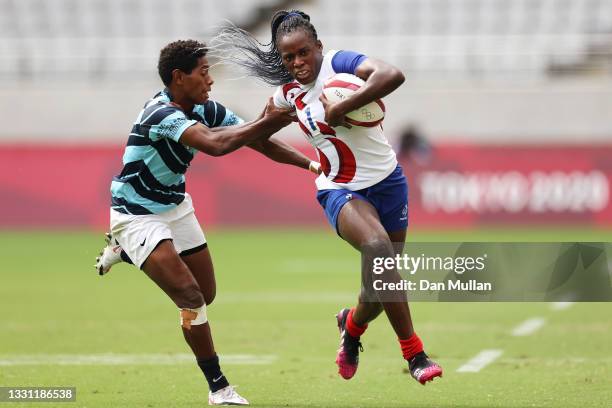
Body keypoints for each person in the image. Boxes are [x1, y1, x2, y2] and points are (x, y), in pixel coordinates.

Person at [212, 10, 443, 385]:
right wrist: (304, 163)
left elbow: (392, 75)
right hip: (340, 189)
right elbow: (257, 135)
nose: (298, 63)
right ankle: (414, 353)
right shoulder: (286, 96)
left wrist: (342, 107)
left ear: (318, 46)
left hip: (389, 183)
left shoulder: (342, 63)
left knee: (379, 287)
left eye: (304, 53)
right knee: (378, 247)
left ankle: (350, 327)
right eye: (289, 58)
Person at [98, 39, 320, 406]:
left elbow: (257, 141)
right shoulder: (161, 114)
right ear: (179, 77)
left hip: (174, 206)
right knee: (190, 296)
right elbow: (217, 146)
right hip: (135, 214)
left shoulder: (206, 108)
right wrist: (267, 120)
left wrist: (313, 165)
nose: (210, 81)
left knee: (207, 294)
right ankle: (219, 387)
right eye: (204, 73)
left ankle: (124, 253)